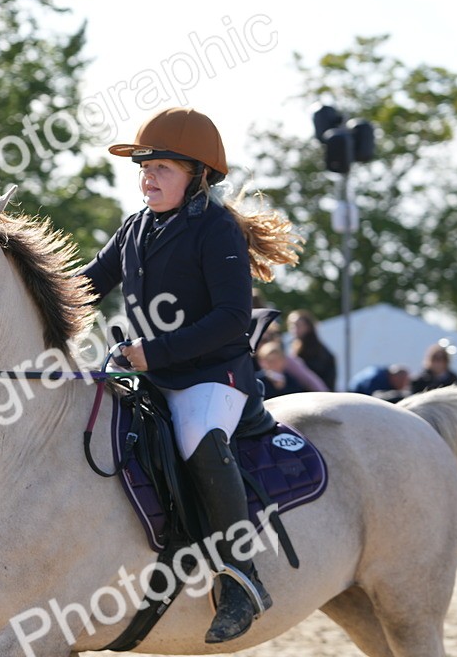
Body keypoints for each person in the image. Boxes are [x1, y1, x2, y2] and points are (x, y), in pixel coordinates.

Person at [78, 107, 302, 643]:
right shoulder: (134, 227)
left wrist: (154, 353)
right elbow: (83, 287)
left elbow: (231, 318)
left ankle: (241, 579)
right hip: (149, 373)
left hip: (213, 376)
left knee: (196, 436)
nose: (148, 178)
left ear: (198, 175)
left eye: (162, 168)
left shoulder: (216, 228)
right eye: (144, 168)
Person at [286, 310, 336, 391]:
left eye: (297, 325)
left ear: (308, 327)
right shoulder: (291, 345)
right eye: (291, 325)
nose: (294, 329)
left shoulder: (317, 351)